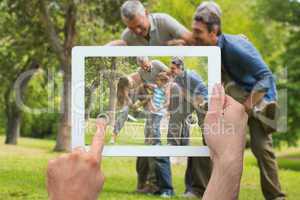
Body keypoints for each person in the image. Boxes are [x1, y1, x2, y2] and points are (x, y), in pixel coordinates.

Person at [46, 84, 248, 200]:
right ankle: (152, 185)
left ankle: (166, 188)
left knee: (158, 154)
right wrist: (227, 164)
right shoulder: (153, 92)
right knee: (151, 153)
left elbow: (169, 104)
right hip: (156, 120)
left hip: (161, 120)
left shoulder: (172, 88)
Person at [190, 2, 286, 199]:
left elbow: (266, 77)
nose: (194, 36)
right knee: (210, 138)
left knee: (261, 148)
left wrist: (246, 108)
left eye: (198, 32)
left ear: (213, 31)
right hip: (237, 97)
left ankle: (276, 196)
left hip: (258, 97)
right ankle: (198, 190)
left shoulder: (234, 46)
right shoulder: (211, 51)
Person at [168, 56, 212, 198]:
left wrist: (197, 105)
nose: (172, 70)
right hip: (189, 99)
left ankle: (210, 147)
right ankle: (172, 146)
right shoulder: (177, 77)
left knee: (204, 127)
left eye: (173, 68)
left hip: (201, 101)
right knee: (176, 117)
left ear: (181, 68)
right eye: (171, 68)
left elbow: (204, 94)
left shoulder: (192, 77)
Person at [106, 0, 193, 46]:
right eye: (131, 28)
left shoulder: (164, 20)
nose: (137, 31)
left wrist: (183, 43)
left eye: (139, 25)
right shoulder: (126, 37)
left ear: (146, 13)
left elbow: (192, 40)